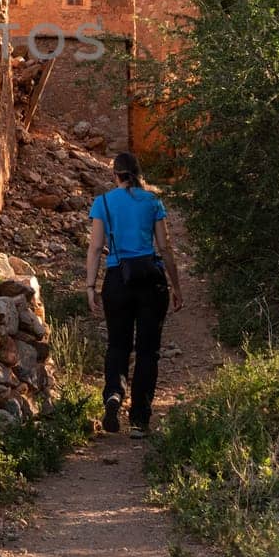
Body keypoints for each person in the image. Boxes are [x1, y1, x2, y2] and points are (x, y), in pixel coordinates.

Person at [86, 151, 183, 438]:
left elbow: (94, 248)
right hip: (150, 279)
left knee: (118, 345)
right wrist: (176, 286)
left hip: (118, 279)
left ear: (115, 175)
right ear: (138, 173)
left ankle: (114, 395)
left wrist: (90, 287)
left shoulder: (103, 202)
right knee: (147, 352)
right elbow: (164, 247)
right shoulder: (153, 201)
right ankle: (139, 420)